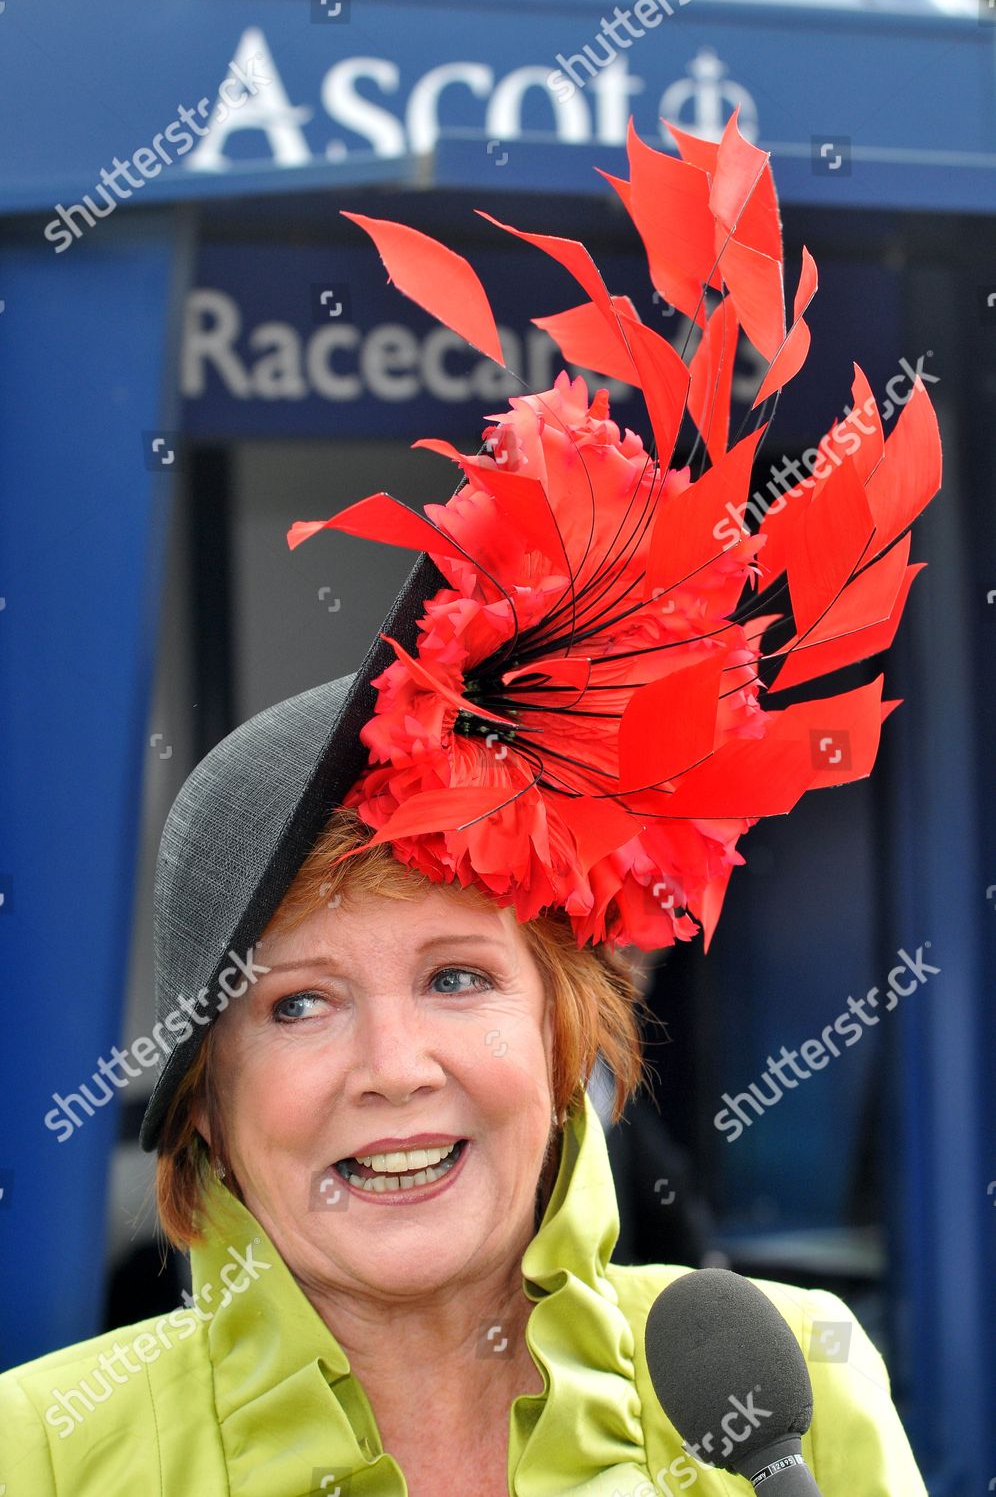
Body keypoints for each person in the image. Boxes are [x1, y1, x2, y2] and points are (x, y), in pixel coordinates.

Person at [0, 109, 939, 1495]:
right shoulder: (43, 1451)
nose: (394, 1067)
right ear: (207, 1111)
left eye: (455, 976)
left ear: (565, 1040)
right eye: (297, 1003)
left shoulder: (798, 1393)